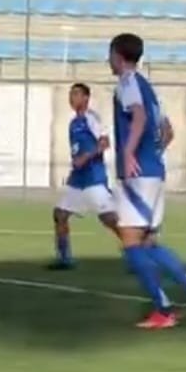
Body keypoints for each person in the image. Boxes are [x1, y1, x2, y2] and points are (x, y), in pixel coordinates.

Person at [109, 33, 186, 329]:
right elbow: (167, 131)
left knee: (131, 243)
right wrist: (152, 154)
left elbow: (139, 116)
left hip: (138, 175)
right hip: (154, 172)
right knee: (148, 242)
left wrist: (130, 152)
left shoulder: (128, 82)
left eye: (110, 54)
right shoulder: (149, 88)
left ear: (117, 54)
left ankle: (164, 310)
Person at [49, 83, 117, 270]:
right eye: (71, 94)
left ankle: (137, 248)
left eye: (77, 94)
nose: (72, 98)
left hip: (93, 176)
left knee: (109, 219)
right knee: (60, 214)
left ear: (86, 98)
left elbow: (104, 143)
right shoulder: (74, 122)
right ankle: (65, 258)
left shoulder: (91, 118)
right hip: (78, 178)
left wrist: (86, 157)